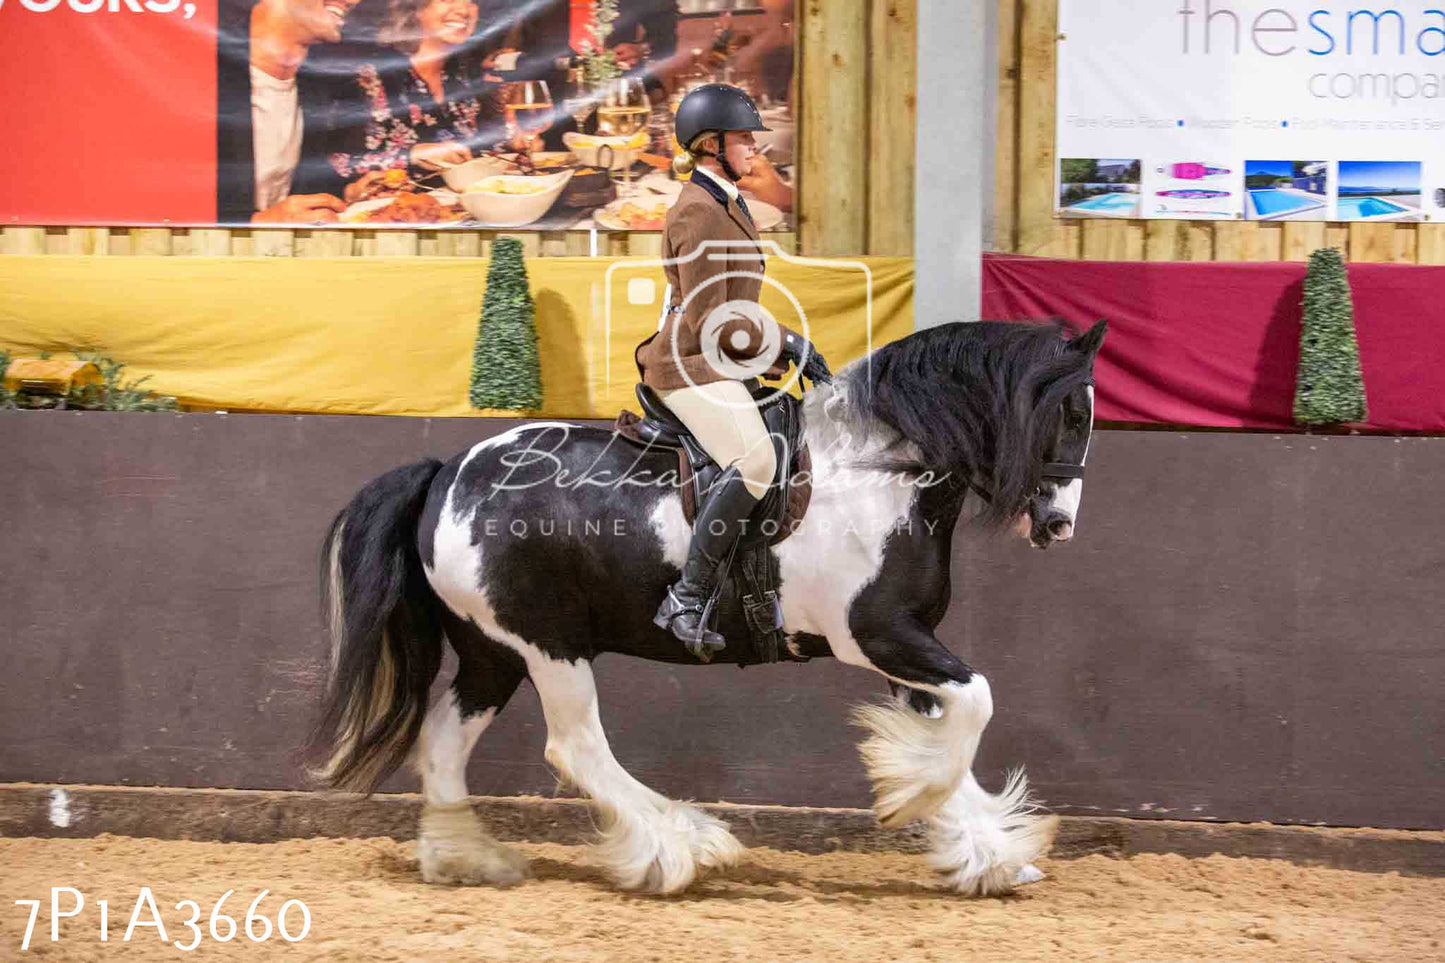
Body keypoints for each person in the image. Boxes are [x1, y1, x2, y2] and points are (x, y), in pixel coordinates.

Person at [634, 83, 831, 659]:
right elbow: (711, 318)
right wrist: (785, 343)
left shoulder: (728, 202)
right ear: (710, 144)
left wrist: (784, 346)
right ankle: (688, 598)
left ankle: (757, 584)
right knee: (757, 459)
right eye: (745, 139)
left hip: (720, 356)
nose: (754, 149)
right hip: (688, 363)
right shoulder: (696, 212)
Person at [324, 0, 505, 199]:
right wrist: (412, 155)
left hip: (458, 213)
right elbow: (334, 164)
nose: (463, 9)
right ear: (415, 9)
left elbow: (484, 151)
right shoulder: (368, 76)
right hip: (387, 216)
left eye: (472, 1)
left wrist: (516, 140)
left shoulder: (466, 76)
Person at [217, 0, 358, 224]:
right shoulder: (204, 71)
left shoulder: (319, 86)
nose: (354, 1)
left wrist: (350, 193)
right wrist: (259, 222)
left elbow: (295, 194)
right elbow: (162, 199)